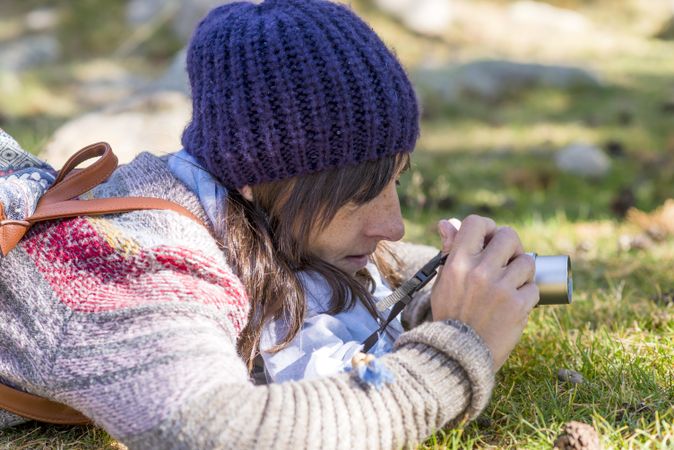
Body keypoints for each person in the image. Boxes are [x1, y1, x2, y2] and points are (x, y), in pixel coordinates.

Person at [0, 0, 539, 448]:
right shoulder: (132, 267)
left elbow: (364, 269)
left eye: (395, 180)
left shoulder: (228, 203)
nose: (393, 227)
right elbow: (228, 431)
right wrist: (455, 348)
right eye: (357, 195)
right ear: (256, 180)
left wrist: (477, 279)